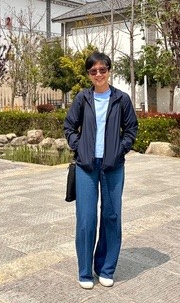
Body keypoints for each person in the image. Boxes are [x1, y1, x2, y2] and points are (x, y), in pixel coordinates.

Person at [64, 51, 138, 290]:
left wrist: (120, 150)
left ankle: (106, 268)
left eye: (102, 70)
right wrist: (79, 147)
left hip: (113, 166)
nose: (98, 74)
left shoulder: (121, 99)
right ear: (89, 74)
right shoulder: (82, 98)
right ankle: (85, 271)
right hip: (86, 166)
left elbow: (131, 129)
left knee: (111, 216)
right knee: (86, 219)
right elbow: (69, 126)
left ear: (109, 71)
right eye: (93, 71)